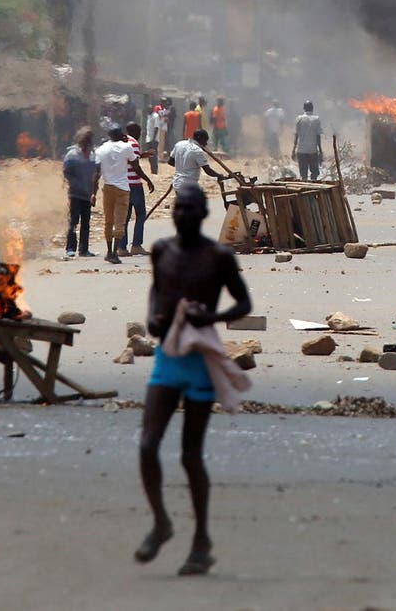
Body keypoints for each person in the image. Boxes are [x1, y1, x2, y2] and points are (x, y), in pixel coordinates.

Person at [136, 182, 252, 576]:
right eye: (177, 208)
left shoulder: (218, 256)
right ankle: (162, 522)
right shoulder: (161, 250)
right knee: (148, 444)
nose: (182, 214)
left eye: (189, 209)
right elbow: (157, 288)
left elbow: (244, 302)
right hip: (168, 357)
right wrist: (152, 316)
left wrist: (213, 319)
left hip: (201, 358)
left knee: (190, 455)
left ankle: (201, 539)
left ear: (203, 215)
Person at [95, 128, 137, 264]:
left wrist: (93, 193)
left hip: (107, 187)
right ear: (121, 136)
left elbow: (96, 173)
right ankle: (114, 252)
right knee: (120, 221)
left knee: (108, 220)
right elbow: (135, 164)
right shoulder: (127, 147)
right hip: (123, 188)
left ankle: (108, 251)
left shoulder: (101, 149)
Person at [117, 122, 157, 257]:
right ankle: (136, 245)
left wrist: (144, 154)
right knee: (140, 215)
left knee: (125, 216)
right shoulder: (133, 143)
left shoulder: (123, 142)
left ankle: (122, 247)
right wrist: (148, 180)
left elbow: (132, 158)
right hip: (133, 184)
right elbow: (135, 166)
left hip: (122, 184)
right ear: (137, 132)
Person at [63, 127, 98, 258]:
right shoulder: (72, 154)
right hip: (75, 193)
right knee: (73, 221)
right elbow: (67, 172)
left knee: (86, 223)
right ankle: (70, 248)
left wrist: (93, 192)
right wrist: (75, 184)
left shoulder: (92, 155)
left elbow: (96, 175)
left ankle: (84, 249)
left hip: (87, 194)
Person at [292, 100, 323, 181]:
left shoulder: (299, 119)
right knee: (315, 173)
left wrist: (293, 150)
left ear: (304, 108)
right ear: (312, 108)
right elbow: (318, 136)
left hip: (301, 151)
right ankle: (314, 188)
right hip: (313, 151)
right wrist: (320, 151)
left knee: (303, 175)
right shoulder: (316, 119)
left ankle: (305, 189)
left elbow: (296, 135)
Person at [145, 106, 163, 174]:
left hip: (153, 139)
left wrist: (153, 139)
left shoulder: (155, 116)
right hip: (148, 138)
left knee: (153, 156)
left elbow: (156, 128)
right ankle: (152, 169)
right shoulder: (149, 116)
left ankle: (155, 170)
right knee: (149, 156)